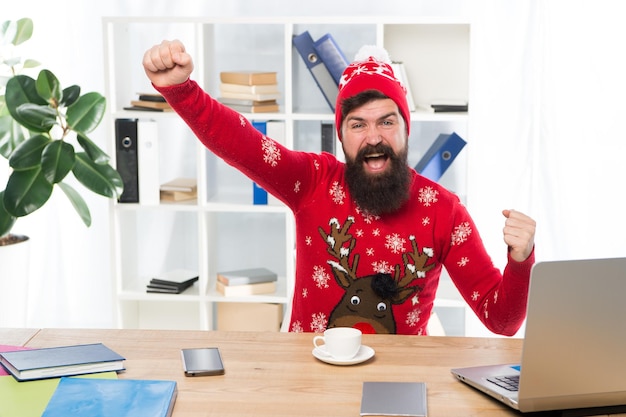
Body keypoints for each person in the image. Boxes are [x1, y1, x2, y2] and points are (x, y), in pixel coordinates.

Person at [142, 40, 536, 336]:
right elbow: (242, 143)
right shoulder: (311, 180)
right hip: (308, 381)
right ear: (342, 135)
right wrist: (182, 90)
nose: (374, 138)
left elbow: (501, 320)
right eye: (358, 124)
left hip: (402, 384)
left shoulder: (444, 211)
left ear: (405, 128)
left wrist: (521, 260)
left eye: (386, 122)